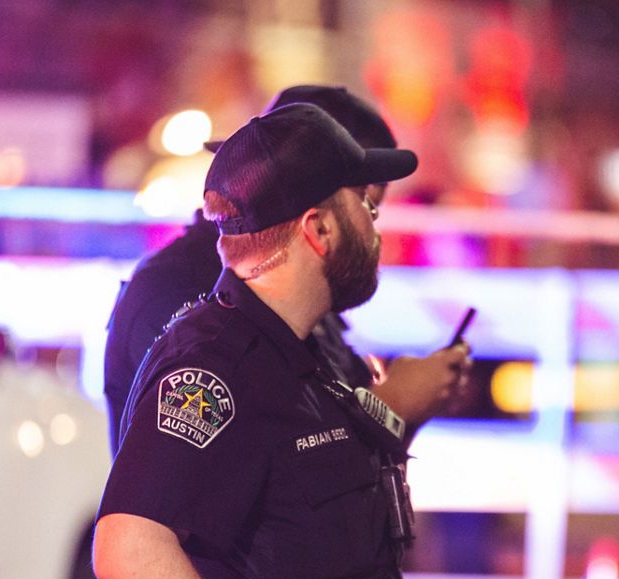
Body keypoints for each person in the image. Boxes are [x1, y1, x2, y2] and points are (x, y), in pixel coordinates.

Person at [89, 103, 446, 579]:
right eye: (366, 208)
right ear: (319, 228)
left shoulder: (304, 366)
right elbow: (128, 550)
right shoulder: (214, 367)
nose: (378, 228)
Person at [103, 84, 470, 450]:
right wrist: (395, 408)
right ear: (314, 211)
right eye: (363, 202)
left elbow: (319, 459)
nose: (372, 225)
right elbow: (252, 460)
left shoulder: (290, 299)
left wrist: (400, 408)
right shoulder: (182, 297)